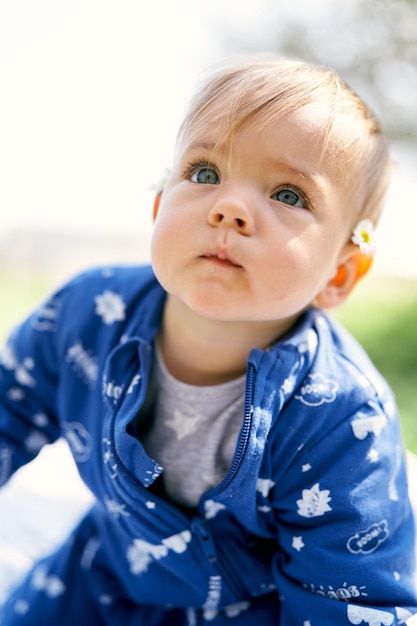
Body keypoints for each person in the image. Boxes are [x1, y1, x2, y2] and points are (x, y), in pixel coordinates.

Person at [0, 56, 416, 625]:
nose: (230, 208)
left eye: (289, 195)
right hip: (99, 576)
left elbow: (353, 598)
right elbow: (7, 405)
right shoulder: (86, 316)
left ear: (340, 274)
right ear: (158, 208)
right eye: (203, 173)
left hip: (248, 612)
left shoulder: (343, 419)